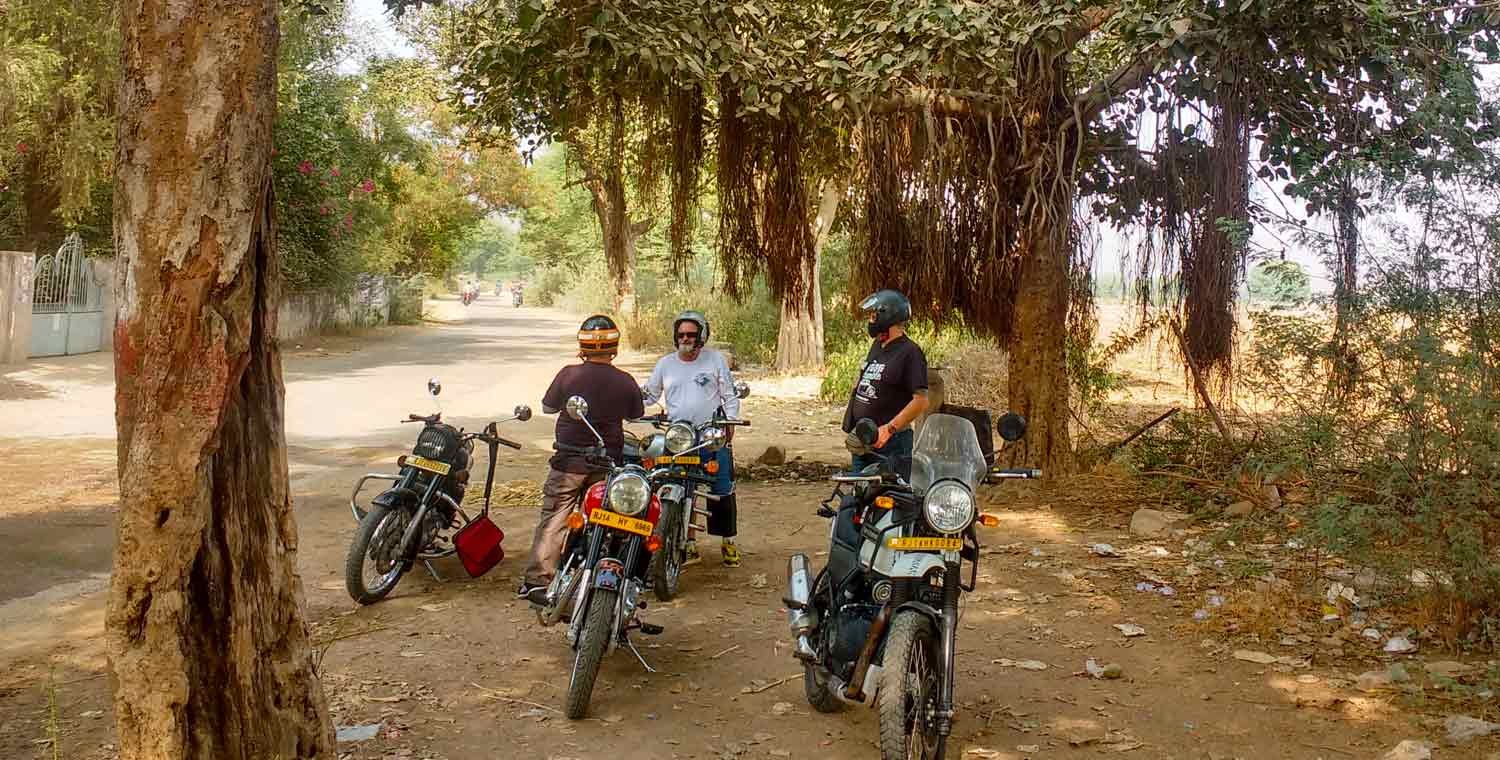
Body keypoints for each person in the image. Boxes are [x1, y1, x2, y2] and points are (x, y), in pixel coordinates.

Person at [518, 314, 644, 605]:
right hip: (605, 464)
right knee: (605, 520)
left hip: (567, 463)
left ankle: (538, 581)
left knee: (555, 517)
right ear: (614, 347)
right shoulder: (625, 380)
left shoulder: (568, 374)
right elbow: (636, 415)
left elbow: (548, 408)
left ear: (582, 346)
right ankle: (595, 575)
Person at [640, 310, 743, 567]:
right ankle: (688, 543)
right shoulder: (666, 364)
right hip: (679, 436)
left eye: (691, 334)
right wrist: (629, 401)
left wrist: (730, 421)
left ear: (702, 336)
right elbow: (650, 395)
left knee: (721, 488)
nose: (685, 338)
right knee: (683, 487)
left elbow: (728, 393)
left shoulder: (715, 360)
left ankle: (728, 542)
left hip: (711, 435)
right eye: (681, 334)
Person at [842, 289, 929, 480]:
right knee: (860, 500)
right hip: (863, 440)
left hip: (892, 444)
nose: (870, 320)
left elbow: (921, 401)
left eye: (874, 315)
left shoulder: (910, 353)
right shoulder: (878, 346)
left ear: (888, 316)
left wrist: (888, 429)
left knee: (890, 500)